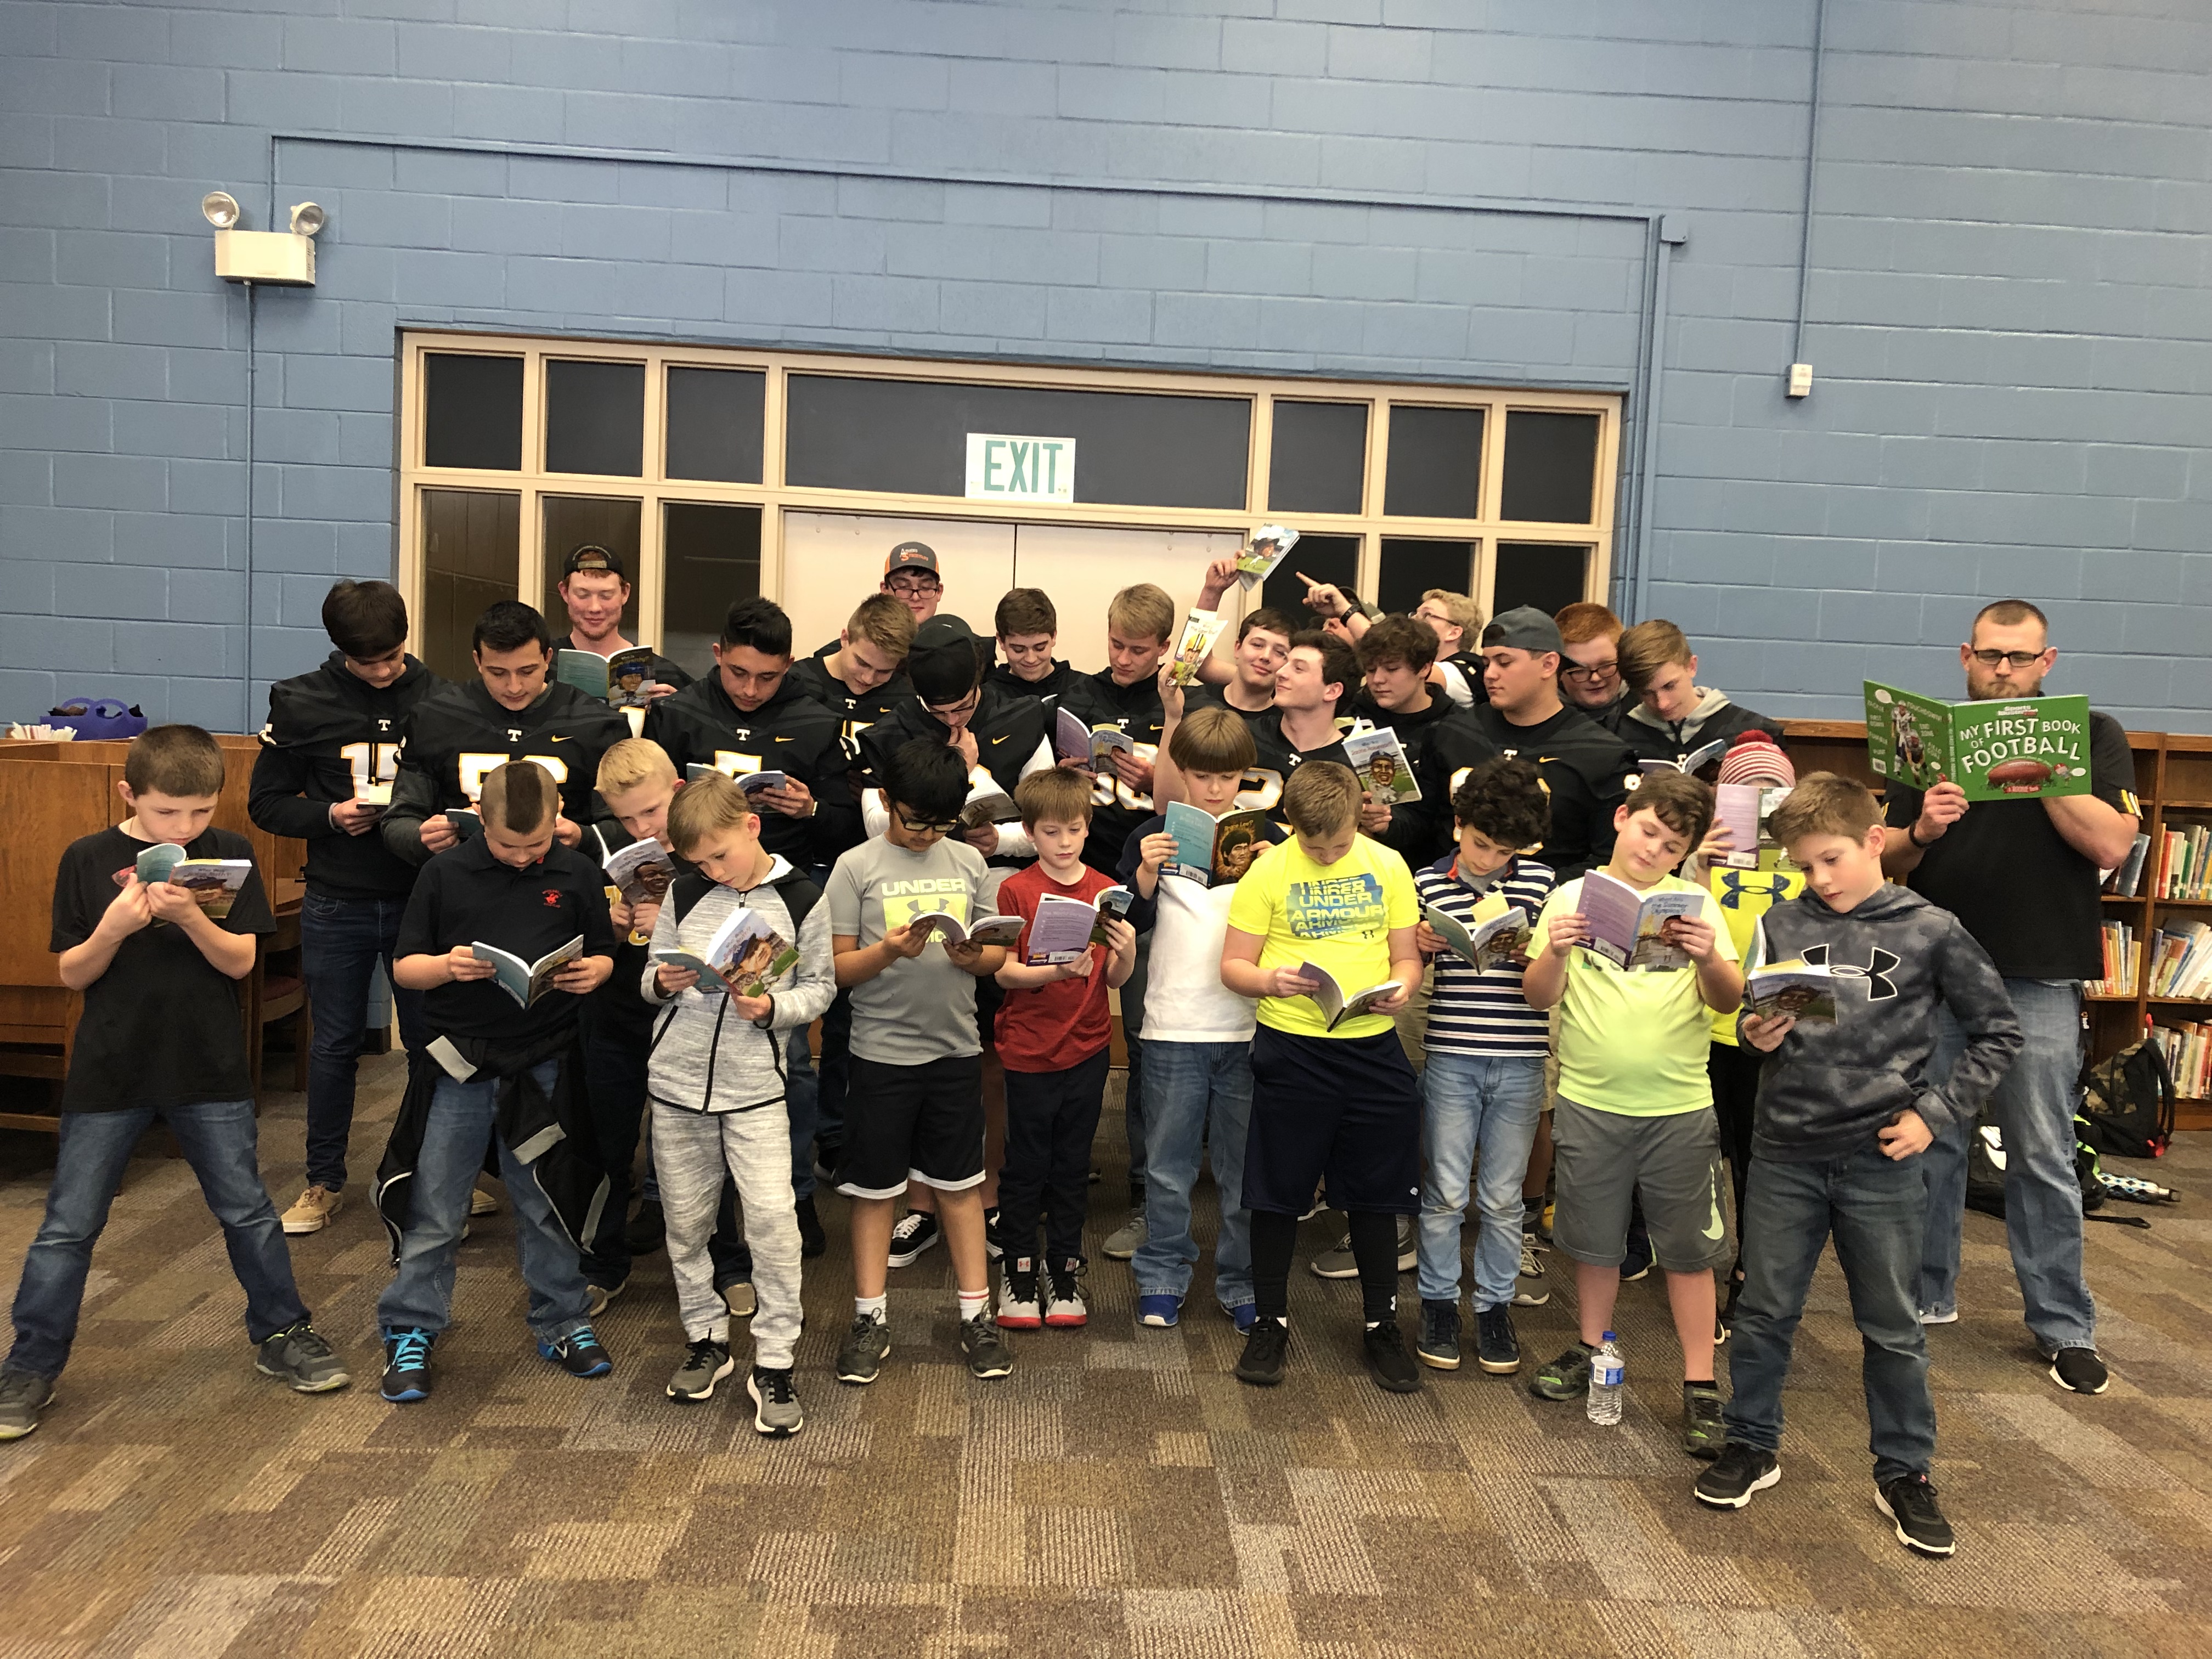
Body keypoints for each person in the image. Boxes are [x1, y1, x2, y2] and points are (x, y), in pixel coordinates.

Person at [1698, 774, 2021, 1558]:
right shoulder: (1783, 919)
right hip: (1785, 1149)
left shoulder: (1931, 929)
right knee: (1765, 1311)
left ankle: (1905, 1470)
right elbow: (1758, 1019)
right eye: (1805, 866)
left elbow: (1999, 1033)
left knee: (1892, 1325)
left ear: (1876, 840)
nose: (1819, 879)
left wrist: (1933, 1116)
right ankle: (1751, 1442)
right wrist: (1756, 1033)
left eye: (1831, 860)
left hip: (1880, 1155)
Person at [1, 726, 348, 1441]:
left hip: (208, 1068)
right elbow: (72, 972)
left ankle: (283, 1332)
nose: (184, 828)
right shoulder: (87, 857)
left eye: (199, 812)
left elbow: (240, 963)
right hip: (110, 1069)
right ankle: (31, 1363)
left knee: (247, 1210)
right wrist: (112, 929)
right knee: (70, 1225)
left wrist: (191, 915)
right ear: (129, 795)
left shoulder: (230, 853)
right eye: (166, 813)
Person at [1882, 599, 2140, 1395]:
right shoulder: (1925, 736)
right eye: (1991, 655)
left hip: (2039, 972)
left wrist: (2043, 773)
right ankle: (1925, 1296)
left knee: (2041, 1150)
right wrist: (1922, 829)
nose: (2004, 670)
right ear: (1966, 656)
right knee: (1930, 1138)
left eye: (2020, 658)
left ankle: (2064, 1325)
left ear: (2046, 662)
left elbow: (2111, 844)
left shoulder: (2092, 733)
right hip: (1936, 971)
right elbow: (1887, 862)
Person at [376, 761, 618, 1403]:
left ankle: (562, 1319)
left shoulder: (577, 872)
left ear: (558, 819)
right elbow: (406, 968)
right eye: (508, 845)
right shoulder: (443, 873)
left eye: (536, 844)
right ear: (479, 819)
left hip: (545, 1060)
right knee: (438, 1203)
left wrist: (596, 970)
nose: (522, 856)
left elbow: (604, 950)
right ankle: (412, 1326)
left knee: (544, 1199)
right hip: (460, 1062)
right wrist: (447, 967)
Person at [1521, 771, 1744, 1455]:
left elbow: (1728, 1000)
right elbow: (1537, 996)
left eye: (1672, 846)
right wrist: (1556, 949)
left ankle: (1700, 1381)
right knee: (1594, 1242)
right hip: (1591, 1102)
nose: (1654, 851)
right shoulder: (1570, 898)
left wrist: (1708, 960)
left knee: (1688, 1251)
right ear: (1622, 818)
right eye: (1648, 831)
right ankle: (1591, 1346)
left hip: (1679, 1105)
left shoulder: (1699, 907)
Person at [647, 596, 860, 1245]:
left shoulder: (817, 718)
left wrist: (811, 809)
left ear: (789, 665)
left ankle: (795, 1196)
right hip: (697, 894)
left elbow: (849, 824)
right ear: (717, 655)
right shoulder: (679, 712)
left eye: (767, 677)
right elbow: (651, 808)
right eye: (738, 672)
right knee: (684, 1043)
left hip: (777, 900)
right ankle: (667, 1198)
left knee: (787, 1057)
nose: (749, 689)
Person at [1221, 761, 1427, 1395]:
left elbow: (1406, 957)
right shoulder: (1269, 871)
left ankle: (1381, 1324)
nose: (1329, 855)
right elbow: (1234, 966)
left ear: (1359, 818)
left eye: (1339, 845)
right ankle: (1271, 1321)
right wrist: (1270, 980)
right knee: (1277, 1190)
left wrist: (1403, 989)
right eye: (1316, 848)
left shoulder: (1387, 864)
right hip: (1292, 1048)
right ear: (1291, 825)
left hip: (1371, 1047)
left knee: (1377, 1193)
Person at [643, 772, 836, 1434]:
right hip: (676, 1084)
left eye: (720, 856)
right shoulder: (685, 889)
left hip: (756, 1089)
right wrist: (663, 981)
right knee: (686, 1221)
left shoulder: (803, 896)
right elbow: (649, 975)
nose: (714, 872)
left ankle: (775, 1360)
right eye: (700, 863)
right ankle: (706, 1337)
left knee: (774, 1221)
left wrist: (773, 1009)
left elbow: (821, 988)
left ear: (752, 827)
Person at [250, 578, 441, 1235]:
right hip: (337, 897)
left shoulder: (441, 698)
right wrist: (330, 815)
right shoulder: (300, 699)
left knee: (431, 1045)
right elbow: (266, 803)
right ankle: (323, 1181)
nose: (384, 672)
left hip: (420, 898)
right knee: (333, 1046)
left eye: (393, 657)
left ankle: (435, 1173)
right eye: (368, 662)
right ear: (339, 650)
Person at [828, 739, 1014, 1385]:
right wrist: (887, 953)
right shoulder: (855, 867)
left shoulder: (967, 861)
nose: (929, 835)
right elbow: (838, 969)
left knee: (961, 1186)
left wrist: (975, 956)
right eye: (916, 822)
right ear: (886, 802)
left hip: (955, 1049)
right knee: (875, 1192)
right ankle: (869, 1318)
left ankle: (976, 1315)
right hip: (881, 1054)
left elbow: (995, 954)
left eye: (942, 823)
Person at [1119, 706, 1287, 1332]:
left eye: (1229, 777)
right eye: (1201, 775)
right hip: (1172, 1025)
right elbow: (1125, 926)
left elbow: (1293, 929)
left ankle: (1241, 1281)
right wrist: (1144, 875)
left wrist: (1276, 874)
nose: (1215, 789)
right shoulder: (1150, 836)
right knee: (1167, 1167)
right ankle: (1162, 1274)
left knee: (1244, 1171)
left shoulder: (1271, 841)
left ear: (1246, 776)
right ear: (1181, 773)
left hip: (1248, 1026)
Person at [1036, 583, 1176, 1261]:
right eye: (1117, 644)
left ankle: (1146, 1188)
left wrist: (1156, 776)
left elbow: (1191, 804)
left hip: (1147, 892)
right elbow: (1039, 797)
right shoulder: (1078, 695)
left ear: (1164, 648)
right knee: (1060, 1032)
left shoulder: (1175, 703)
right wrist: (1066, 775)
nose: (1123, 658)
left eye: (1139, 650)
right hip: (1075, 881)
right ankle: (1060, 1172)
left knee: (1145, 1044)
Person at [1410, 759, 1556, 1375]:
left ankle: (1494, 1306)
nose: (1490, 860)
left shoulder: (1543, 883)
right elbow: (1406, 971)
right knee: (1445, 1192)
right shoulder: (1427, 881)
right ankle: (1438, 1303)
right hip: (1451, 1052)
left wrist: (1535, 953)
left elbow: (1556, 975)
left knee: (1502, 1197)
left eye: (1505, 852)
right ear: (1458, 824)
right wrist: (1418, 946)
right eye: (1480, 844)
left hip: (1521, 1057)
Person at [990, 769, 1139, 1330]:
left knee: (1074, 1163)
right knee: (1027, 1163)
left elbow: (1115, 977)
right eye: (1051, 833)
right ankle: (1019, 1269)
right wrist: (1053, 973)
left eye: (1074, 830)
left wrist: (1125, 950)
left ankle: (1065, 1268)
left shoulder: (1106, 889)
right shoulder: (1016, 889)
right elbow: (1004, 973)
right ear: (1030, 833)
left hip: (1088, 1044)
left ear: (1087, 826)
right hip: (1029, 1047)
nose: (1065, 842)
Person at [382, 600, 630, 866]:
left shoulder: (597, 723)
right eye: (498, 673)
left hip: (563, 881)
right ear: (478, 661)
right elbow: (398, 820)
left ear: (548, 658)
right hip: (465, 880)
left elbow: (628, 825)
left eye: (527, 671)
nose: (514, 687)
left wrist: (585, 838)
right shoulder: (436, 718)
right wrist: (422, 838)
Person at [577, 738, 685, 1313]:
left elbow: (746, 947)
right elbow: (585, 945)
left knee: (694, 1151)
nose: (642, 828)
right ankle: (602, 1264)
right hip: (615, 1020)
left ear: (678, 791)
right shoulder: (604, 855)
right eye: (626, 819)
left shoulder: (712, 850)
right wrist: (612, 930)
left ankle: (719, 1266)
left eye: (651, 811)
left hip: (689, 1026)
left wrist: (671, 922)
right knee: (607, 1148)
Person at [1700, 732, 1804, 1330]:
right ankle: (1688, 1260)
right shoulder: (1704, 854)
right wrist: (1699, 862)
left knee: (1756, 1160)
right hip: (1705, 1027)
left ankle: (1749, 1271)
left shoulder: (1807, 859)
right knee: (1696, 1155)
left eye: (1773, 794)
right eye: (1748, 793)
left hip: (1771, 1029)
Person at [1470, 606, 1639, 883]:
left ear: (1549, 665)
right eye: (1487, 663)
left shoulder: (1602, 752)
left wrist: (1538, 892)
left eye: (1504, 662)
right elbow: (1425, 828)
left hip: (1554, 902)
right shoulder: (1454, 731)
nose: (1490, 674)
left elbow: (1610, 858)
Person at [1353, 613, 1498, 867]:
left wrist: (1388, 824)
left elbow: (1441, 822)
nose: (1377, 680)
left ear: (1424, 668)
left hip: (1426, 868)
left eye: (1392, 669)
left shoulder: (1457, 730)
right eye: (1371, 669)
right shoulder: (1351, 716)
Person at [786, 591, 918, 787]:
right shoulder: (797, 683)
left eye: (884, 671)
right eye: (862, 663)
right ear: (845, 639)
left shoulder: (908, 699)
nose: (868, 678)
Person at [1615, 619, 1787, 769]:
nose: (1662, 704)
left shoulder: (1756, 731)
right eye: (1647, 693)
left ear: (1692, 666)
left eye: (1669, 686)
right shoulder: (1619, 737)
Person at [551, 544, 691, 697]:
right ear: (564, 593)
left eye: (606, 596)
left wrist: (677, 708)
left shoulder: (665, 676)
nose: (595, 608)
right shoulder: (543, 667)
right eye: (583, 595)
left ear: (625, 593)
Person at [1184, 607, 1296, 716]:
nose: (1266, 656)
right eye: (1257, 645)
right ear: (1238, 649)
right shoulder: (1188, 700)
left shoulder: (1285, 724)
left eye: (1280, 652)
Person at [988, 587, 1077, 704]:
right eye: (1019, 650)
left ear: (1054, 636)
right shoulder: (988, 699)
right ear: (1001, 641)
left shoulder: (1084, 689)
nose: (1031, 659)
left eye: (1040, 648)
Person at [1555, 602, 1630, 734]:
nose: (1595, 678)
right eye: (1580, 670)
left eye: (1606, 666)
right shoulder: (1536, 719)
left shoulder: (1650, 710)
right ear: (1558, 670)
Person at [1413, 590, 1487, 711]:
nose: (1413, 620)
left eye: (1427, 615)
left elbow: (1407, 675)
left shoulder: (1462, 671)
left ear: (1453, 633)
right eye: (1415, 614)